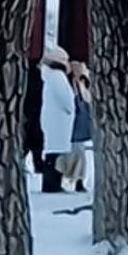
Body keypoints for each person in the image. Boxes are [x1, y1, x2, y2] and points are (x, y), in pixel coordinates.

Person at [39, 46, 76, 193]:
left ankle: (50, 183)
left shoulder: (47, 76)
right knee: (56, 157)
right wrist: (72, 109)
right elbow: (67, 100)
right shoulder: (57, 77)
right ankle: (52, 185)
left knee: (51, 155)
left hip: (51, 121)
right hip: (59, 122)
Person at [67, 61, 93, 194]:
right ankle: (76, 180)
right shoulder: (73, 86)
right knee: (77, 154)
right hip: (74, 126)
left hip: (78, 126)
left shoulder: (81, 85)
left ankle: (78, 180)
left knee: (79, 155)